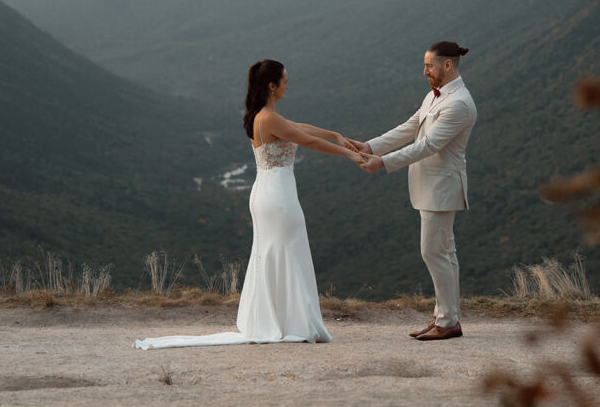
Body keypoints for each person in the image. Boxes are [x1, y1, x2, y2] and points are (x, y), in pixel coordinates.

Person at [135, 60, 364, 349]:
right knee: (287, 252)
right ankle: (291, 322)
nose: (287, 85)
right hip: (277, 195)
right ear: (272, 86)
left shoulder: (265, 116)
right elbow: (307, 141)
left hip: (269, 191)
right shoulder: (268, 118)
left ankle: (282, 320)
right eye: (284, 80)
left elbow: (299, 128)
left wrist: (335, 135)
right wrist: (349, 154)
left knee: (277, 253)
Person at [351, 41, 477, 341]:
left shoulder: (459, 103)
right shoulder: (437, 95)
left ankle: (447, 321)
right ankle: (445, 317)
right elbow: (411, 126)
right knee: (444, 253)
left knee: (433, 252)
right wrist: (371, 145)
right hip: (431, 187)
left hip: (442, 188)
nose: (424, 71)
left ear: (448, 65)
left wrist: (382, 162)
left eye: (429, 66)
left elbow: (428, 145)